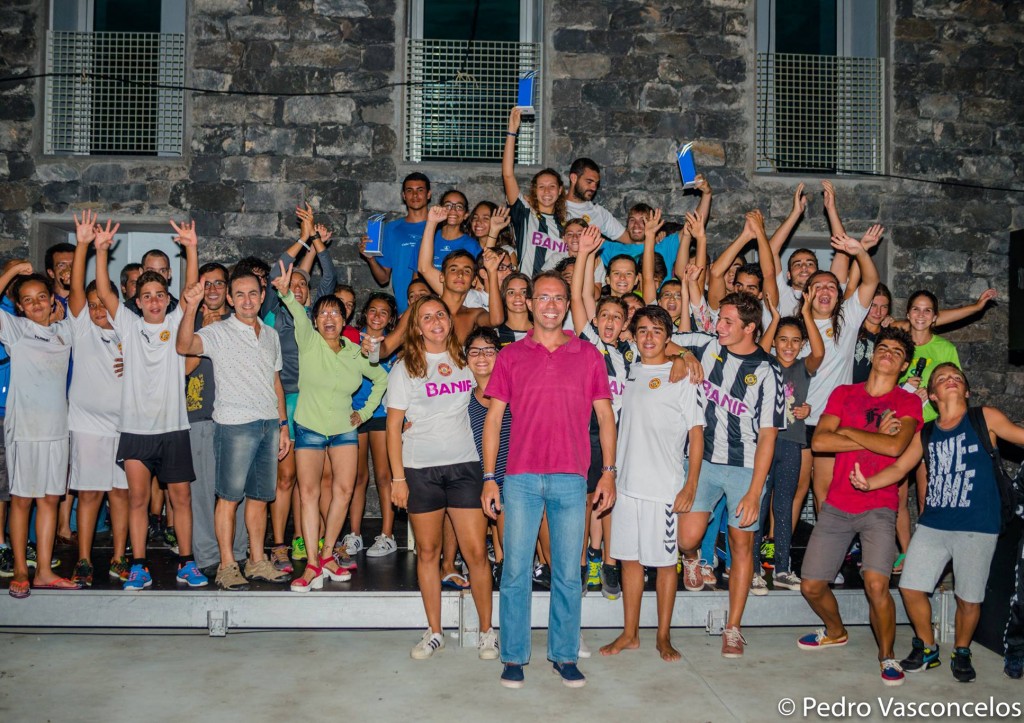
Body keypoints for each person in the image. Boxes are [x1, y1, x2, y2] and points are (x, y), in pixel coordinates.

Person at [482, 271, 617, 689]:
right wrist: (490, 477)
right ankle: (514, 656)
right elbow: (493, 418)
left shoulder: (588, 354)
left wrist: (609, 472)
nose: (552, 304)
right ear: (530, 303)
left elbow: (605, 417)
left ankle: (563, 654)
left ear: (566, 304)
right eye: (543, 297)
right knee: (517, 570)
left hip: (571, 478)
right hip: (520, 476)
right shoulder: (510, 356)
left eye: (559, 297)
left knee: (567, 572)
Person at [848, 363, 1024, 683]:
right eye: (942, 379)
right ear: (932, 395)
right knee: (911, 587)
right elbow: (901, 466)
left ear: (966, 391)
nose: (951, 380)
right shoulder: (926, 433)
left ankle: (961, 650)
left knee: (968, 598)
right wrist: (869, 483)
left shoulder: (984, 418)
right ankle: (927, 647)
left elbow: (1020, 436)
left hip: (978, 526)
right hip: (934, 525)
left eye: (956, 377)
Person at [798, 327, 922, 687]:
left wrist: (850, 433)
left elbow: (896, 449)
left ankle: (887, 655)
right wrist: (875, 436)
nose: (888, 353)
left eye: (897, 352)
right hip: (837, 505)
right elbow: (820, 442)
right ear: (872, 355)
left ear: (904, 364)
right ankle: (835, 631)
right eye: (883, 347)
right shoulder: (844, 393)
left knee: (876, 585)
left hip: (879, 506)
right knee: (811, 586)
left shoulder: (907, 402)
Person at [94, 219, 203, 591]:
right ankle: (138, 565)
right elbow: (106, 291)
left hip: (173, 429)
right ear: (137, 302)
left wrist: (191, 246)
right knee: (138, 499)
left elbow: (192, 291)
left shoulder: (177, 320)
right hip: (137, 430)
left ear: (166, 297)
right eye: (147, 296)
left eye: (159, 294)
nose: (154, 301)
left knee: (181, 498)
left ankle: (187, 563)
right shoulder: (126, 323)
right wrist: (101, 250)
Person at [386, 295, 497, 660]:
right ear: (416, 327)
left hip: (465, 466)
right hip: (420, 469)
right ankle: (434, 631)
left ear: (449, 320)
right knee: (429, 552)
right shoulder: (405, 367)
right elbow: (393, 425)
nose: (435, 321)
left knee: (476, 553)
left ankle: (486, 632)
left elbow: (492, 392)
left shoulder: (467, 360)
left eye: (440, 315)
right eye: (426, 317)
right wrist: (398, 479)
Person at [673, 292, 784, 655]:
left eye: (727, 322)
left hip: (745, 467)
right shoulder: (707, 346)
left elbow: (768, 435)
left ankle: (734, 627)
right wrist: (684, 354)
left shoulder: (768, 372)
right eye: (719, 319)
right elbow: (662, 338)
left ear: (750, 328)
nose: (718, 326)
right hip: (702, 461)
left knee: (741, 546)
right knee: (687, 537)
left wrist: (755, 492)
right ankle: (692, 559)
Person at [270, 262, 387, 592]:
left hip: (343, 429)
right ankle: (310, 564)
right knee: (308, 494)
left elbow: (380, 379)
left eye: (335, 313)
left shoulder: (355, 351)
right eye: (323, 314)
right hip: (308, 428)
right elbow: (294, 305)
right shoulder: (307, 340)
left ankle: (326, 554)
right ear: (315, 321)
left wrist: (363, 414)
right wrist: (283, 290)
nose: (329, 318)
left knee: (344, 492)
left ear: (344, 319)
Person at [600, 305, 705, 662]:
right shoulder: (630, 370)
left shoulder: (683, 375)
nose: (648, 337)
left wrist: (690, 485)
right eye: (642, 330)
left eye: (656, 331)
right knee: (629, 560)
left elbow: (696, 432)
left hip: (664, 488)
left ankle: (663, 635)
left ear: (668, 338)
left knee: (663, 564)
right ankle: (630, 634)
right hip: (627, 486)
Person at [176, 270, 292, 591]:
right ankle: (227, 565)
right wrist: (191, 308)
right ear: (230, 298)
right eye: (239, 295)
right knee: (228, 498)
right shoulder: (218, 331)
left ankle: (256, 560)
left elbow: (275, 382)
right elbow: (184, 345)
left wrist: (283, 425)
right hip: (233, 425)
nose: (246, 300)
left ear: (261, 294)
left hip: (268, 424)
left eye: (252, 293)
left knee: (259, 498)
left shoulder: (269, 334)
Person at [263, 209, 337, 566]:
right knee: (286, 476)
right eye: (291, 286)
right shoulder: (272, 316)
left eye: (303, 286)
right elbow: (279, 266)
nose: (297, 289)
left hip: (314, 402)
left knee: (317, 477)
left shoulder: (313, 316)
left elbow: (331, 275)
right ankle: (278, 542)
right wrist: (304, 238)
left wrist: (318, 243)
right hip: (284, 401)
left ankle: (305, 539)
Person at [0, 263, 76, 598]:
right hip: (25, 431)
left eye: (40, 298)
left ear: (50, 299)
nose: (35, 305)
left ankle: (44, 570)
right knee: (22, 501)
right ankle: (20, 569)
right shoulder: (15, 329)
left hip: (58, 430)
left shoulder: (65, 331)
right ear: (18, 306)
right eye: (27, 300)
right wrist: (14, 270)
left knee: (49, 501)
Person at [67, 212, 129, 587]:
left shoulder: (129, 330)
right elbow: (76, 288)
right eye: (91, 304)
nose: (97, 310)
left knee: (120, 494)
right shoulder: (81, 328)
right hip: (87, 426)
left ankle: (120, 557)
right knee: (89, 495)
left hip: (123, 426)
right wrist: (84, 245)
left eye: (102, 303)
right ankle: (85, 559)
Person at [183, 262, 247, 580]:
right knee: (203, 491)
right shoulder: (188, 321)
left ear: (228, 289)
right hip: (200, 415)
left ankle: (238, 552)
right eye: (206, 284)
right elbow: (181, 369)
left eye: (218, 284)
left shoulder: (241, 321)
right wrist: (204, 333)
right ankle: (208, 554)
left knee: (238, 491)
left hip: (236, 415)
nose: (212, 290)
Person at [756, 299, 824, 590]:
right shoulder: (764, 362)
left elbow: (819, 352)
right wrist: (773, 318)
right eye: (782, 340)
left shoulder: (802, 367)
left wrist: (806, 314)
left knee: (783, 506)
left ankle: (782, 568)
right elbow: (760, 348)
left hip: (792, 444)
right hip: (763, 445)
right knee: (758, 506)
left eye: (795, 341)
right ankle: (753, 568)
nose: (788, 345)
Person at [344, 292, 400, 558]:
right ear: (365, 313)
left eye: (383, 312)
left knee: (383, 475)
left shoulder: (394, 344)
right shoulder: (351, 339)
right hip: (353, 413)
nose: (377, 316)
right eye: (373, 311)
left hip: (380, 414)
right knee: (357, 477)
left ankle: (387, 535)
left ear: (390, 319)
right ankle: (354, 535)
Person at [465, 327, 511, 587]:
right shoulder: (462, 397)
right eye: (475, 351)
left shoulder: (515, 388)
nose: (482, 357)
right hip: (485, 479)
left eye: (488, 351)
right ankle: (502, 564)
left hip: (517, 478)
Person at [502, 108, 567, 275]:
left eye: (552, 186)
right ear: (534, 190)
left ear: (560, 190)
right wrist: (512, 132)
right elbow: (508, 174)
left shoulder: (567, 226)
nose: (546, 191)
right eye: (541, 186)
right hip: (526, 288)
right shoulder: (524, 213)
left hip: (553, 292)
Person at [361, 172, 431, 313]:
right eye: (409, 191)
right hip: (404, 310)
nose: (415, 195)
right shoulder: (391, 229)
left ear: (429, 194)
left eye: (420, 190)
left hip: (436, 306)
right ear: (404, 196)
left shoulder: (438, 227)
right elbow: (383, 279)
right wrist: (371, 259)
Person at [564, 157, 629, 242]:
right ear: (574, 178)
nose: (594, 188)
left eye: (596, 184)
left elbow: (629, 241)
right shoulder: (554, 205)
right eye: (589, 182)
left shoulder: (598, 212)